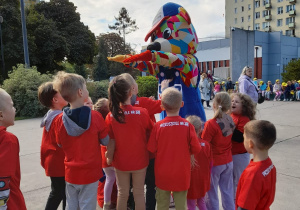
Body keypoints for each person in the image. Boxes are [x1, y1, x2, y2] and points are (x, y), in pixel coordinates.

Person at [52, 71, 109, 210]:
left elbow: (59, 143)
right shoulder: (95, 117)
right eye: (85, 87)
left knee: (72, 205)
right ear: (80, 92)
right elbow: (106, 141)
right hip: (90, 172)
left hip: (71, 172)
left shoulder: (59, 120)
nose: (86, 90)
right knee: (87, 205)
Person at [147, 87, 201, 210]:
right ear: (182, 104)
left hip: (162, 174)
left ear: (162, 106)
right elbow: (196, 149)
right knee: (181, 205)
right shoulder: (188, 126)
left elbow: (151, 148)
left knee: (162, 204)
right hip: (182, 174)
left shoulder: (158, 126)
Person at [105, 75, 154, 210]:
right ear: (130, 92)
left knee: (122, 193)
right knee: (139, 193)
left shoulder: (110, 116)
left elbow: (110, 140)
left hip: (120, 162)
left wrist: (108, 156)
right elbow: (152, 131)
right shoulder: (142, 112)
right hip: (140, 160)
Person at [120, 73, 163, 210]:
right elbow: (166, 104)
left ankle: (131, 206)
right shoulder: (144, 104)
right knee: (151, 185)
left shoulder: (115, 109)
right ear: (133, 88)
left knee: (130, 188)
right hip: (148, 153)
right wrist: (165, 89)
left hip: (126, 156)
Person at [201, 92, 236, 210]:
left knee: (211, 192)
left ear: (214, 104)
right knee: (227, 190)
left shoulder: (211, 124)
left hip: (215, 163)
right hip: (228, 161)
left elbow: (204, 144)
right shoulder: (230, 120)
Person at [38, 82, 68, 210]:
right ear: (55, 99)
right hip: (59, 163)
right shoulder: (60, 118)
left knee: (59, 192)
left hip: (53, 162)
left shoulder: (50, 115)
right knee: (61, 193)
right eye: (62, 93)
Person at [236, 120, 276, 210]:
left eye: (244, 138)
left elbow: (244, 207)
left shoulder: (252, 174)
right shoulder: (270, 166)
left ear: (250, 144)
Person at [0, 88, 26, 210]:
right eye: (12, 106)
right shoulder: (8, 140)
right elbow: (2, 180)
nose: (14, 109)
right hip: (11, 204)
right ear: (1, 114)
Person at [230, 93, 256, 198]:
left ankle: (240, 201)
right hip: (229, 154)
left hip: (239, 155)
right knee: (230, 181)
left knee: (239, 180)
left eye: (236, 102)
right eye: (232, 101)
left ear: (244, 106)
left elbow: (239, 138)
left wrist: (226, 122)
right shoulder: (230, 116)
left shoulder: (244, 119)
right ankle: (232, 201)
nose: (233, 103)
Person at [93, 98, 117, 210]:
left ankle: (106, 204)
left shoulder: (99, 125)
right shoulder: (111, 123)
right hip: (113, 158)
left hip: (103, 158)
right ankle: (122, 202)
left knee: (109, 179)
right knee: (120, 182)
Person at [186, 115, 212, 210]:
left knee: (191, 204)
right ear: (200, 129)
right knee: (201, 202)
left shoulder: (184, 146)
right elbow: (211, 164)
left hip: (190, 180)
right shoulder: (206, 145)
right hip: (203, 179)